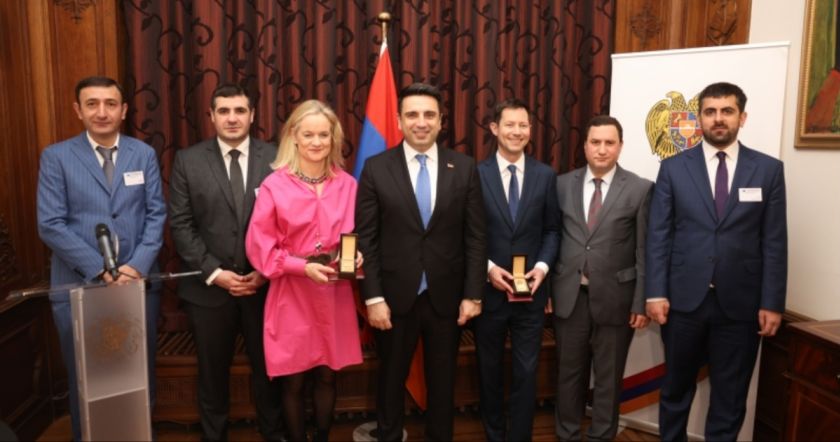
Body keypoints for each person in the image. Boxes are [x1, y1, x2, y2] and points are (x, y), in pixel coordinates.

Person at [645, 82, 787, 441]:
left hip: (741, 304)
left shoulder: (768, 170)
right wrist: (655, 292)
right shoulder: (673, 168)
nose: (718, 118)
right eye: (710, 112)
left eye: (727, 111)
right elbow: (659, 235)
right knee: (676, 390)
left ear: (742, 117)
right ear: (700, 118)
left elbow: (774, 241)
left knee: (730, 397)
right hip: (683, 302)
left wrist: (772, 302)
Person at [36, 76, 166, 441]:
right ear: (78, 110)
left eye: (110, 103)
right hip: (79, 286)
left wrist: (135, 266)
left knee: (137, 373)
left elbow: (156, 214)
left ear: (123, 111)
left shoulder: (143, 154)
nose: (102, 112)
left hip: (136, 284)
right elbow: (50, 224)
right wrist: (101, 269)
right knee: (87, 379)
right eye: (92, 104)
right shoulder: (56, 157)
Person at [355, 82, 487, 441]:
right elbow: (366, 239)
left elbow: (476, 237)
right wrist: (373, 297)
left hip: (447, 298)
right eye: (412, 114)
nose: (421, 122)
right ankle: (388, 435)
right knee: (390, 378)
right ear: (399, 120)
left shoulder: (464, 167)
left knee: (443, 382)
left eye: (429, 114)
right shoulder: (376, 168)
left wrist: (473, 294)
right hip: (393, 298)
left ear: (441, 121)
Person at [168, 84, 284, 441]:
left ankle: (272, 433)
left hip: (265, 287)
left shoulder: (277, 157)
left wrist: (264, 271)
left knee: (270, 371)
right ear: (211, 116)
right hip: (208, 290)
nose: (232, 118)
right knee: (212, 374)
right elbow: (181, 224)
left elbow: (288, 221)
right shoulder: (188, 160)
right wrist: (215, 273)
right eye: (223, 111)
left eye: (239, 111)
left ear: (252, 115)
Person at [245, 99, 362, 442]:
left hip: (335, 290)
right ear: (294, 137)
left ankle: (322, 437)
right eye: (308, 134)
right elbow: (259, 248)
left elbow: (361, 236)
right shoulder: (274, 185)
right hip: (291, 292)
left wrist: (359, 257)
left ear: (333, 138)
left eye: (323, 135)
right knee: (293, 379)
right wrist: (301, 267)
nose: (316, 142)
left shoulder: (348, 184)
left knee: (327, 375)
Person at [551, 115, 652, 441]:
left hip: (617, 299)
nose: (602, 149)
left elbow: (644, 249)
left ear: (620, 147)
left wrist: (640, 301)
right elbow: (553, 238)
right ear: (585, 146)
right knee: (568, 374)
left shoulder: (640, 188)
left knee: (609, 378)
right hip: (569, 297)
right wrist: (549, 291)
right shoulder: (561, 185)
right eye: (595, 142)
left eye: (610, 143)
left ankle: (601, 436)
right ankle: (567, 434)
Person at [474, 98, 559, 441]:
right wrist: (488, 269)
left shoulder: (546, 175)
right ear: (495, 128)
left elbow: (552, 230)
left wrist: (542, 268)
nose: (517, 131)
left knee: (527, 371)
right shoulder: (475, 175)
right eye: (509, 124)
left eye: (523, 125)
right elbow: (467, 232)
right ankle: (494, 434)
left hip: (532, 294)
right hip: (488, 292)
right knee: (488, 369)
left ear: (530, 130)